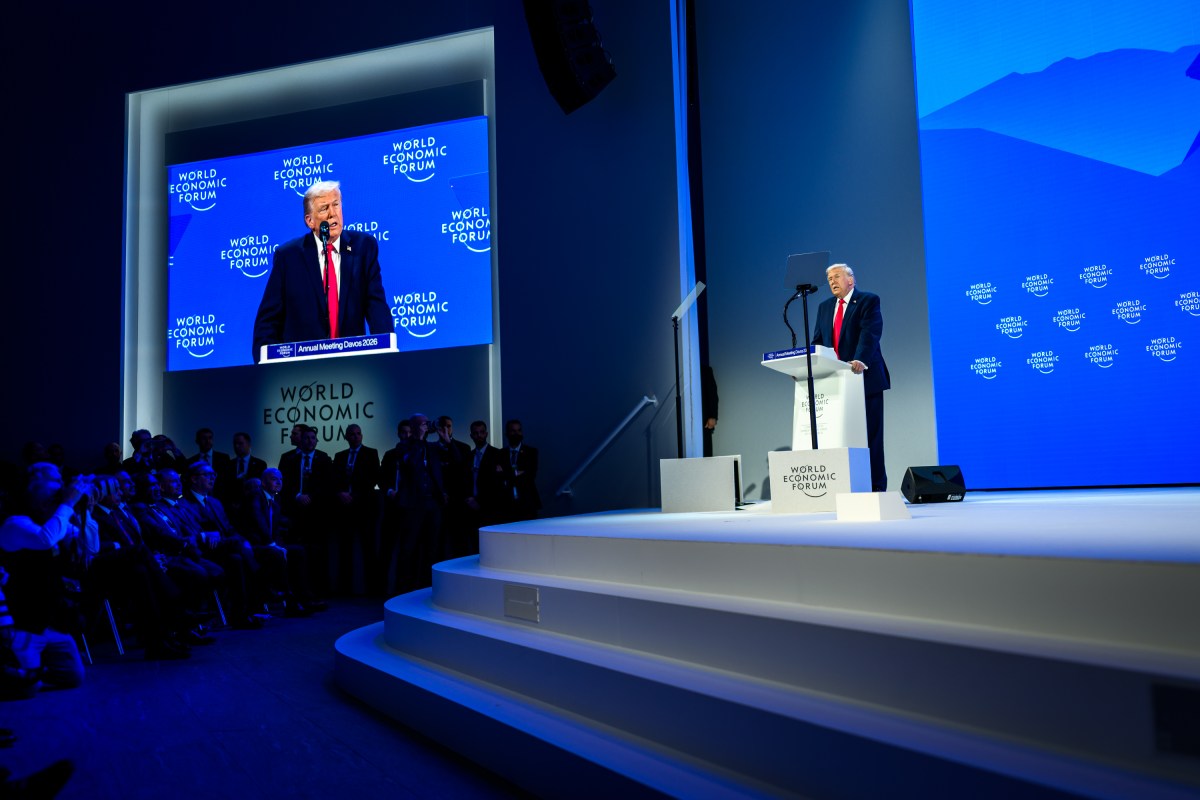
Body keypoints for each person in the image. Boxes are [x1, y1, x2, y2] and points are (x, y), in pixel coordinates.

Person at [251, 180, 392, 360]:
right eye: (324, 208)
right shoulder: (289, 257)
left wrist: (387, 357)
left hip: (352, 364)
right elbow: (268, 321)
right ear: (310, 221)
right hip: (300, 371)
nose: (333, 214)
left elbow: (377, 308)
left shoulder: (363, 248)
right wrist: (266, 367)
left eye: (336, 205)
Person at [810, 263, 890, 491]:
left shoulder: (868, 300)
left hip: (865, 377)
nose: (832, 282)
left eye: (836, 277)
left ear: (851, 280)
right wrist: (809, 367)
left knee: (871, 436)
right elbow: (818, 341)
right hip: (835, 382)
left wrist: (860, 360)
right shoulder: (825, 307)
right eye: (829, 279)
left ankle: (876, 487)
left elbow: (870, 334)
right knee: (841, 436)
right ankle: (847, 486)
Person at [331, 424, 380, 595]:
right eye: (352, 434)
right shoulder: (339, 456)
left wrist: (355, 495)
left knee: (368, 548)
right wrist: (340, 493)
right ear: (346, 437)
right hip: (343, 508)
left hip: (364, 507)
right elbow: (333, 479)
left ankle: (373, 589)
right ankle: (345, 589)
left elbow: (373, 479)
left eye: (358, 433)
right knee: (345, 550)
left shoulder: (371, 453)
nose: (356, 437)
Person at [503, 420, 541, 522]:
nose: (517, 433)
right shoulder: (500, 454)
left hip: (527, 502)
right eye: (513, 431)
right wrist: (518, 473)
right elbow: (498, 478)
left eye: (519, 430)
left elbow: (530, 475)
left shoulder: (531, 452)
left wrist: (506, 473)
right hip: (507, 504)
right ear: (507, 433)